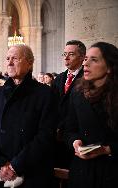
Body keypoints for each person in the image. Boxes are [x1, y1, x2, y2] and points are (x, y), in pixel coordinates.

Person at [0, 45, 57, 188]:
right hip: (2, 172)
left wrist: (15, 166)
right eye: (7, 58)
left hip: (31, 171)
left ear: (29, 63)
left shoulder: (45, 94)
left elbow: (45, 135)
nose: (9, 62)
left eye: (15, 58)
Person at [64, 42, 118, 188]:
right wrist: (75, 142)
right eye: (86, 58)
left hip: (111, 172)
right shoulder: (77, 93)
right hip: (82, 171)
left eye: (93, 60)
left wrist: (107, 149)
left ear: (109, 67)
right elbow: (69, 129)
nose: (85, 63)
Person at [52, 40, 86, 169]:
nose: (66, 57)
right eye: (64, 54)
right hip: (58, 135)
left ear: (82, 57)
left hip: (78, 137)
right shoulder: (59, 78)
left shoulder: (87, 78)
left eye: (71, 54)